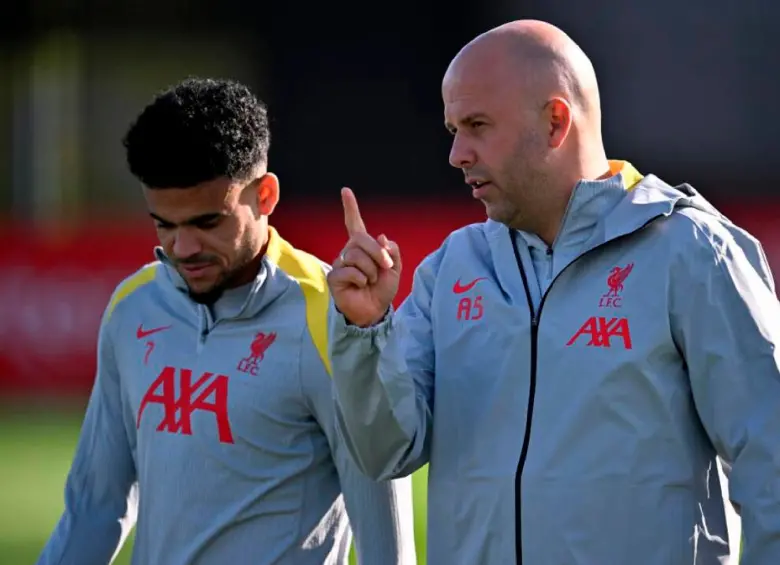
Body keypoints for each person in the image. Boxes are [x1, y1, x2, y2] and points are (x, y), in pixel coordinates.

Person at [326, 19, 780, 565]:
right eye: (453, 130)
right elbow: (386, 452)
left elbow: (772, 461)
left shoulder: (694, 252)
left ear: (555, 122)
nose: (457, 154)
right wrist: (366, 333)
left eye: (477, 125)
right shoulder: (451, 267)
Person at [37, 77, 416, 565]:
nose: (183, 248)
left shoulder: (335, 319)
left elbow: (388, 545)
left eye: (207, 222)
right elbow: (94, 508)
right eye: (164, 224)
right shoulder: (133, 307)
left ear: (265, 195)